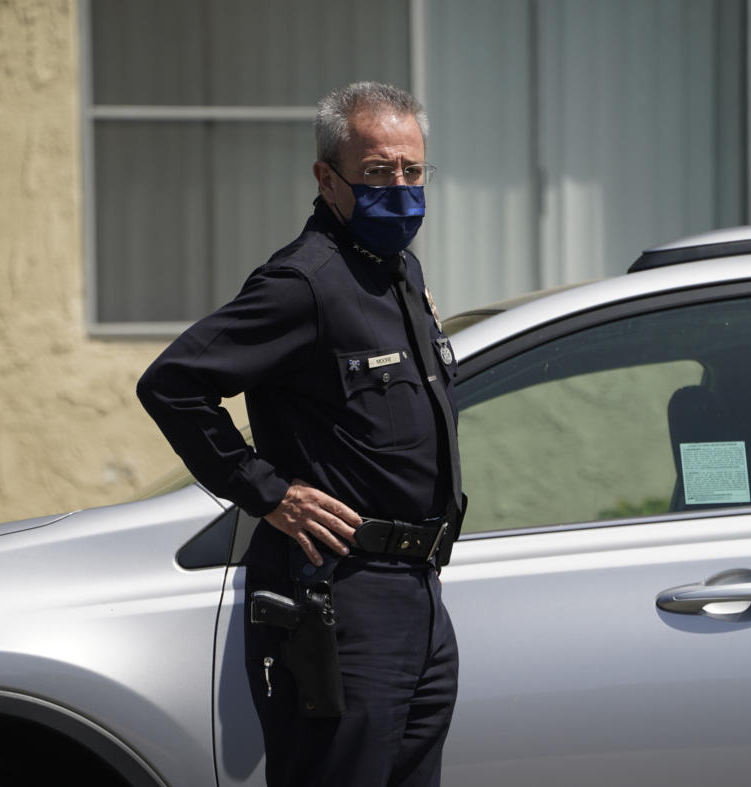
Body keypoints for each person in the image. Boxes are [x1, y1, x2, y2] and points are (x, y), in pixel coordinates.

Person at [137, 81, 464, 787]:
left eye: (413, 171)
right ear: (328, 178)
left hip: (417, 594)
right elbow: (173, 383)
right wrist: (268, 492)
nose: (402, 189)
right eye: (378, 173)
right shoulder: (304, 283)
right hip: (339, 597)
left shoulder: (397, 273)